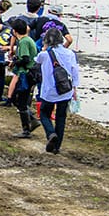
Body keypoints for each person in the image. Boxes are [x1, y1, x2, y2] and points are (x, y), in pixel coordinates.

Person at [33, 26, 79, 154]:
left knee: (44, 114)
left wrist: (43, 48)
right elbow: (75, 71)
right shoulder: (70, 54)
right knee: (61, 117)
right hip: (65, 90)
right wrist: (74, 88)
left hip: (49, 91)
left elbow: (36, 61)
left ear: (46, 40)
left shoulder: (44, 55)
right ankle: (56, 147)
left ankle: (50, 133)